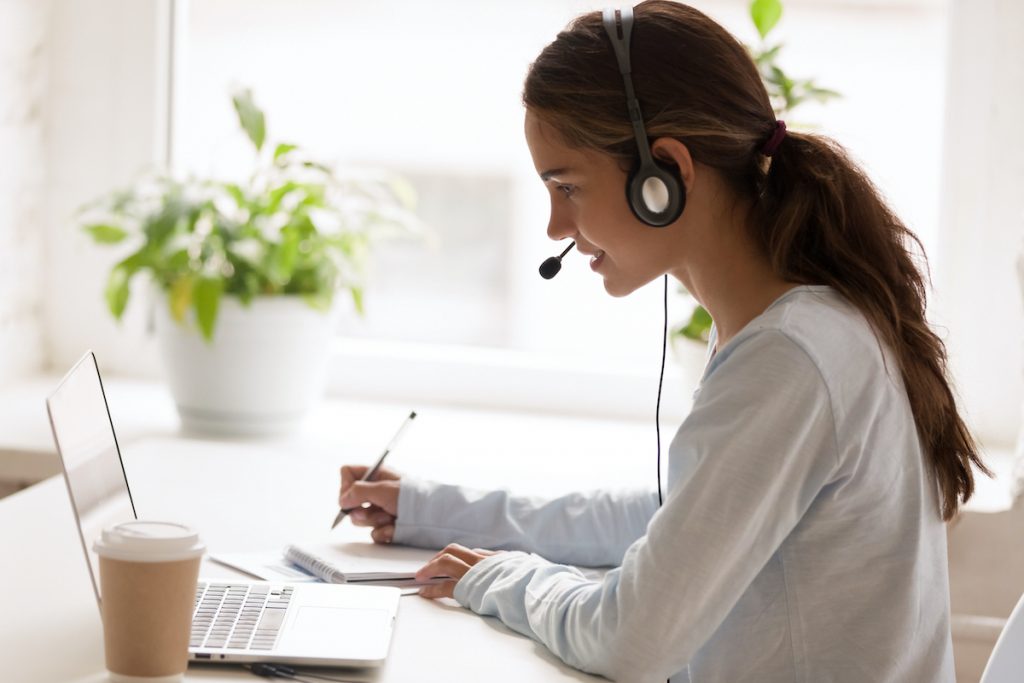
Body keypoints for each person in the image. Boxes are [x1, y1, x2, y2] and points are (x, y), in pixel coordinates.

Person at [338, 2, 987, 681]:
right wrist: (439, 509)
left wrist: (506, 579)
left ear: (665, 175)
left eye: (567, 186)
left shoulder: (792, 357)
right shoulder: (790, 323)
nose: (556, 226)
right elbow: (676, 518)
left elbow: (631, 641)